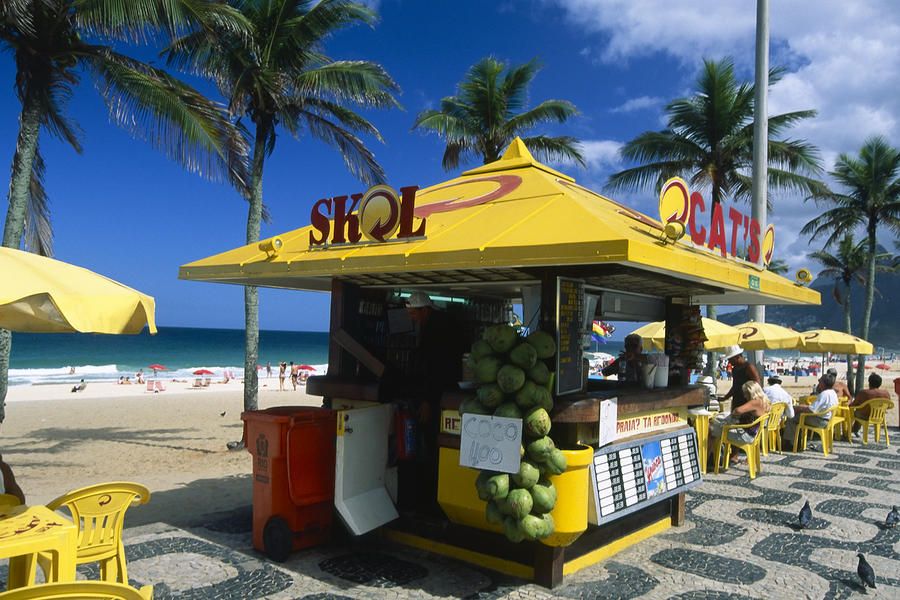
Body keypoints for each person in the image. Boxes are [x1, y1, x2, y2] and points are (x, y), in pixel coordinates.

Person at [709, 381, 770, 464]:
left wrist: (734, 414)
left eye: (745, 393)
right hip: (754, 435)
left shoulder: (755, 402)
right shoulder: (764, 401)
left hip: (746, 437)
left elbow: (737, 410)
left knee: (711, 429)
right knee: (719, 427)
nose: (744, 396)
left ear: (750, 392)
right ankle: (715, 456)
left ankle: (709, 458)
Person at [784, 372, 839, 450]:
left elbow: (811, 410)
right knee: (798, 415)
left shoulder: (824, 394)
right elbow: (816, 408)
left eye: (819, 381)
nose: (818, 383)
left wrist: (798, 408)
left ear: (823, 383)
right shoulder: (832, 393)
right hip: (827, 419)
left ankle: (791, 444)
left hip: (820, 421)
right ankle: (797, 441)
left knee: (792, 418)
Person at [721, 346, 760, 411]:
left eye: (730, 359)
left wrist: (753, 401)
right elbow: (735, 386)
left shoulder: (749, 367)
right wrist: (726, 397)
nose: (729, 362)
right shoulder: (735, 369)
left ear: (737, 357)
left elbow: (757, 384)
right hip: (737, 400)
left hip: (747, 401)